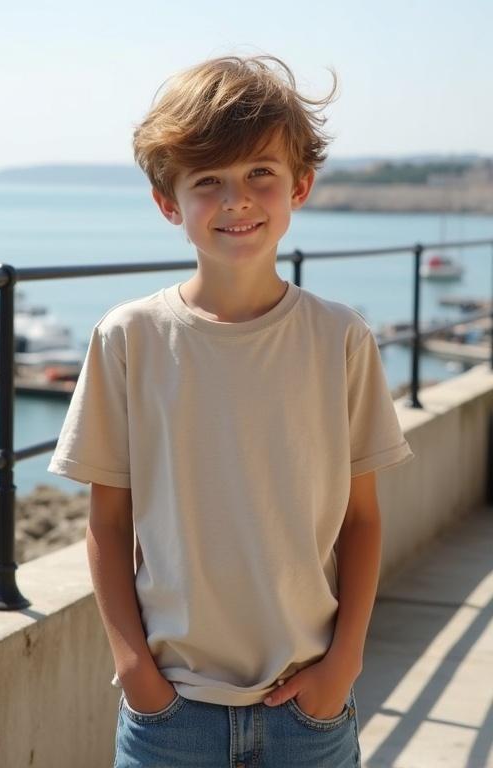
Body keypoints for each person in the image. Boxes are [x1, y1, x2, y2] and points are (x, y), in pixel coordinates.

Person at [47, 53, 415, 768]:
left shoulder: (340, 338)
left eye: (259, 175)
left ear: (299, 187)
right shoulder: (129, 339)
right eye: (207, 181)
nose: (236, 200)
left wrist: (341, 668)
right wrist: (136, 674)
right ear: (169, 203)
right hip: (168, 718)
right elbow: (108, 522)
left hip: (310, 713)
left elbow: (361, 519)